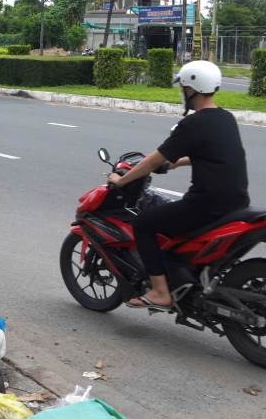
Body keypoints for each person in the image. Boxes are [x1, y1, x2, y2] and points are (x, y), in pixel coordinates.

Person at [106, 60, 249, 309]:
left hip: (205, 206)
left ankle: (160, 292)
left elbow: (151, 162)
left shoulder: (192, 124)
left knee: (143, 224)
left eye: (183, 88)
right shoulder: (226, 118)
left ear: (191, 89)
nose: (182, 93)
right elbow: (211, 154)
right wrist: (177, 163)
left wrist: (121, 181)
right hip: (237, 203)